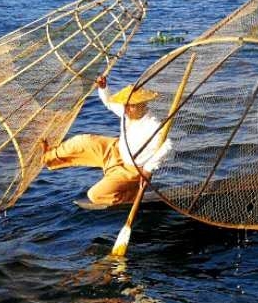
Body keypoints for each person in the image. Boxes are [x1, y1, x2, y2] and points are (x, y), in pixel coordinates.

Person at [41, 75, 172, 206]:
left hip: (132, 169)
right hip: (115, 150)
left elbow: (167, 146)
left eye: (130, 106)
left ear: (141, 105)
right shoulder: (129, 112)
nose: (125, 109)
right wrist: (103, 88)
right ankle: (49, 156)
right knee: (82, 141)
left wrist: (148, 169)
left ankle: (130, 195)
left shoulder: (154, 125)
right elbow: (110, 103)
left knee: (95, 195)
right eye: (125, 105)